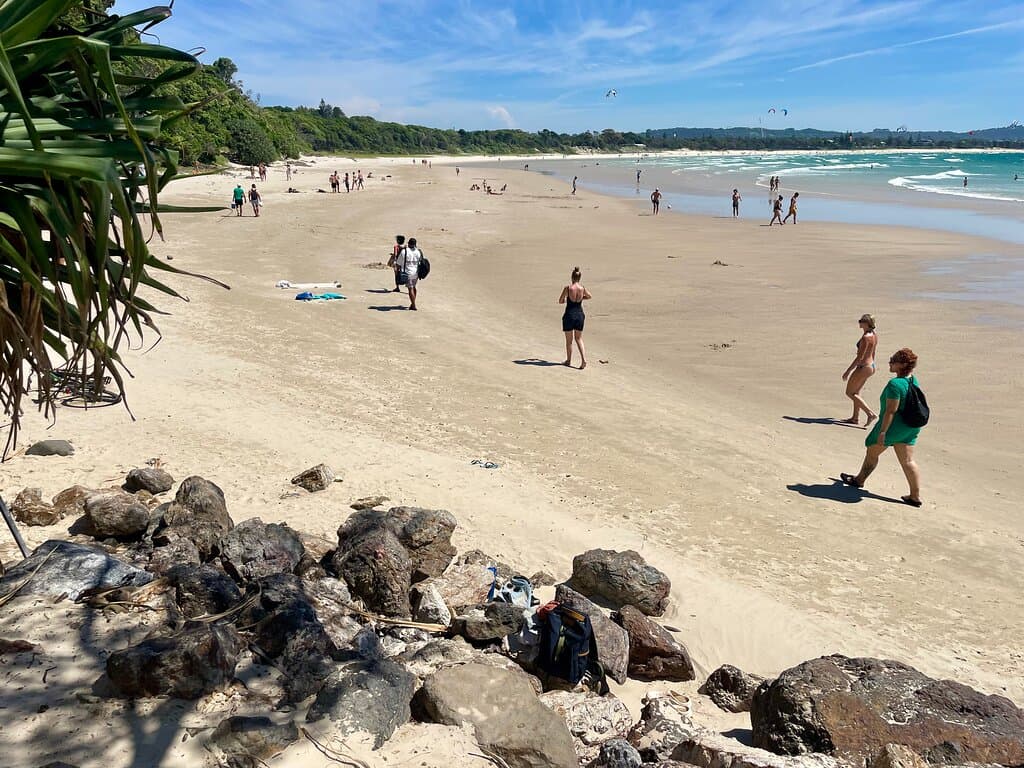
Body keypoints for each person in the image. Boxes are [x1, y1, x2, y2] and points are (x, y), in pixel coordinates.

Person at [841, 348, 924, 507]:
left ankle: (859, 480)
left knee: (872, 451)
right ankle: (915, 496)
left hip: (893, 427)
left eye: (893, 360)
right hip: (910, 427)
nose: (890, 362)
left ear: (902, 365)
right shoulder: (913, 380)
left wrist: (883, 432)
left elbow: (890, 411)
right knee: (908, 461)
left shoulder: (895, 384)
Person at [841, 314, 878, 426]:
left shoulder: (866, 338)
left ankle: (870, 414)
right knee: (856, 392)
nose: (859, 323)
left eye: (861, 321)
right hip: (870, 366)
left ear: (867, 323)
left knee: (849, 393)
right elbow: (873, 353)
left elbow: (860, 357)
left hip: (863, 367)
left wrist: (848, 371)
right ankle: (855, 418)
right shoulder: (874, 335)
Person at [558, 267, 591, 369]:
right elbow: (589, 296)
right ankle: (583, 360)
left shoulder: (568, 288)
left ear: (572, 277)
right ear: (579, 278)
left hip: (569, 315)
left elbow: (560, 300)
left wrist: (565, 301)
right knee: (579, 338)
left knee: (569, 341)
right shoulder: (582, 288)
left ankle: (568, 360)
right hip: (580, 315)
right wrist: (582, 298)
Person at [398, 237, 423, 310]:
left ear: (408, 243)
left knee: (410, 288)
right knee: (414, 287)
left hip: (408, 272)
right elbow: (420, 261)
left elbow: (399, 263)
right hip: (416, 272)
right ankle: (413, 303)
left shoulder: (404, 251)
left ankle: (413, 305)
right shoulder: (418, 251)